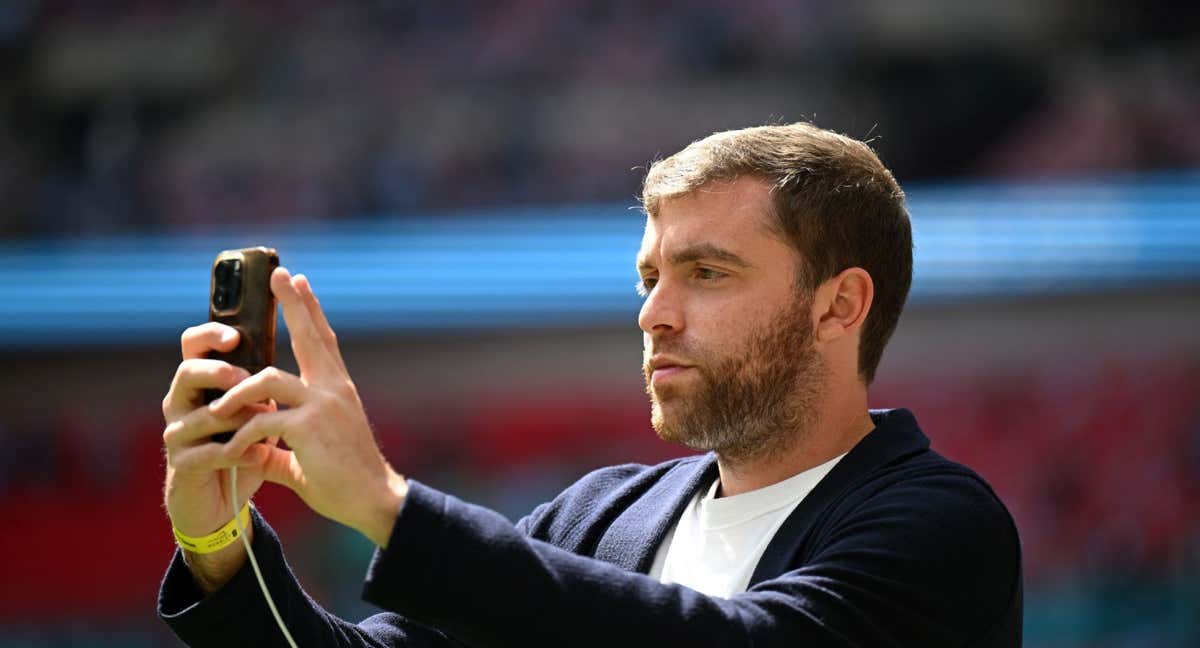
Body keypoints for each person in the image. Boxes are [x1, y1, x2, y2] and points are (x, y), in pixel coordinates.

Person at [158, 123, 1022, 646]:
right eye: (649, 277)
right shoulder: (596, 519)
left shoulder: (941, 527)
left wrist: (387, 504)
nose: (654, 313)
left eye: (707, 274)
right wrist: (217, 543)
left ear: (840, 307)